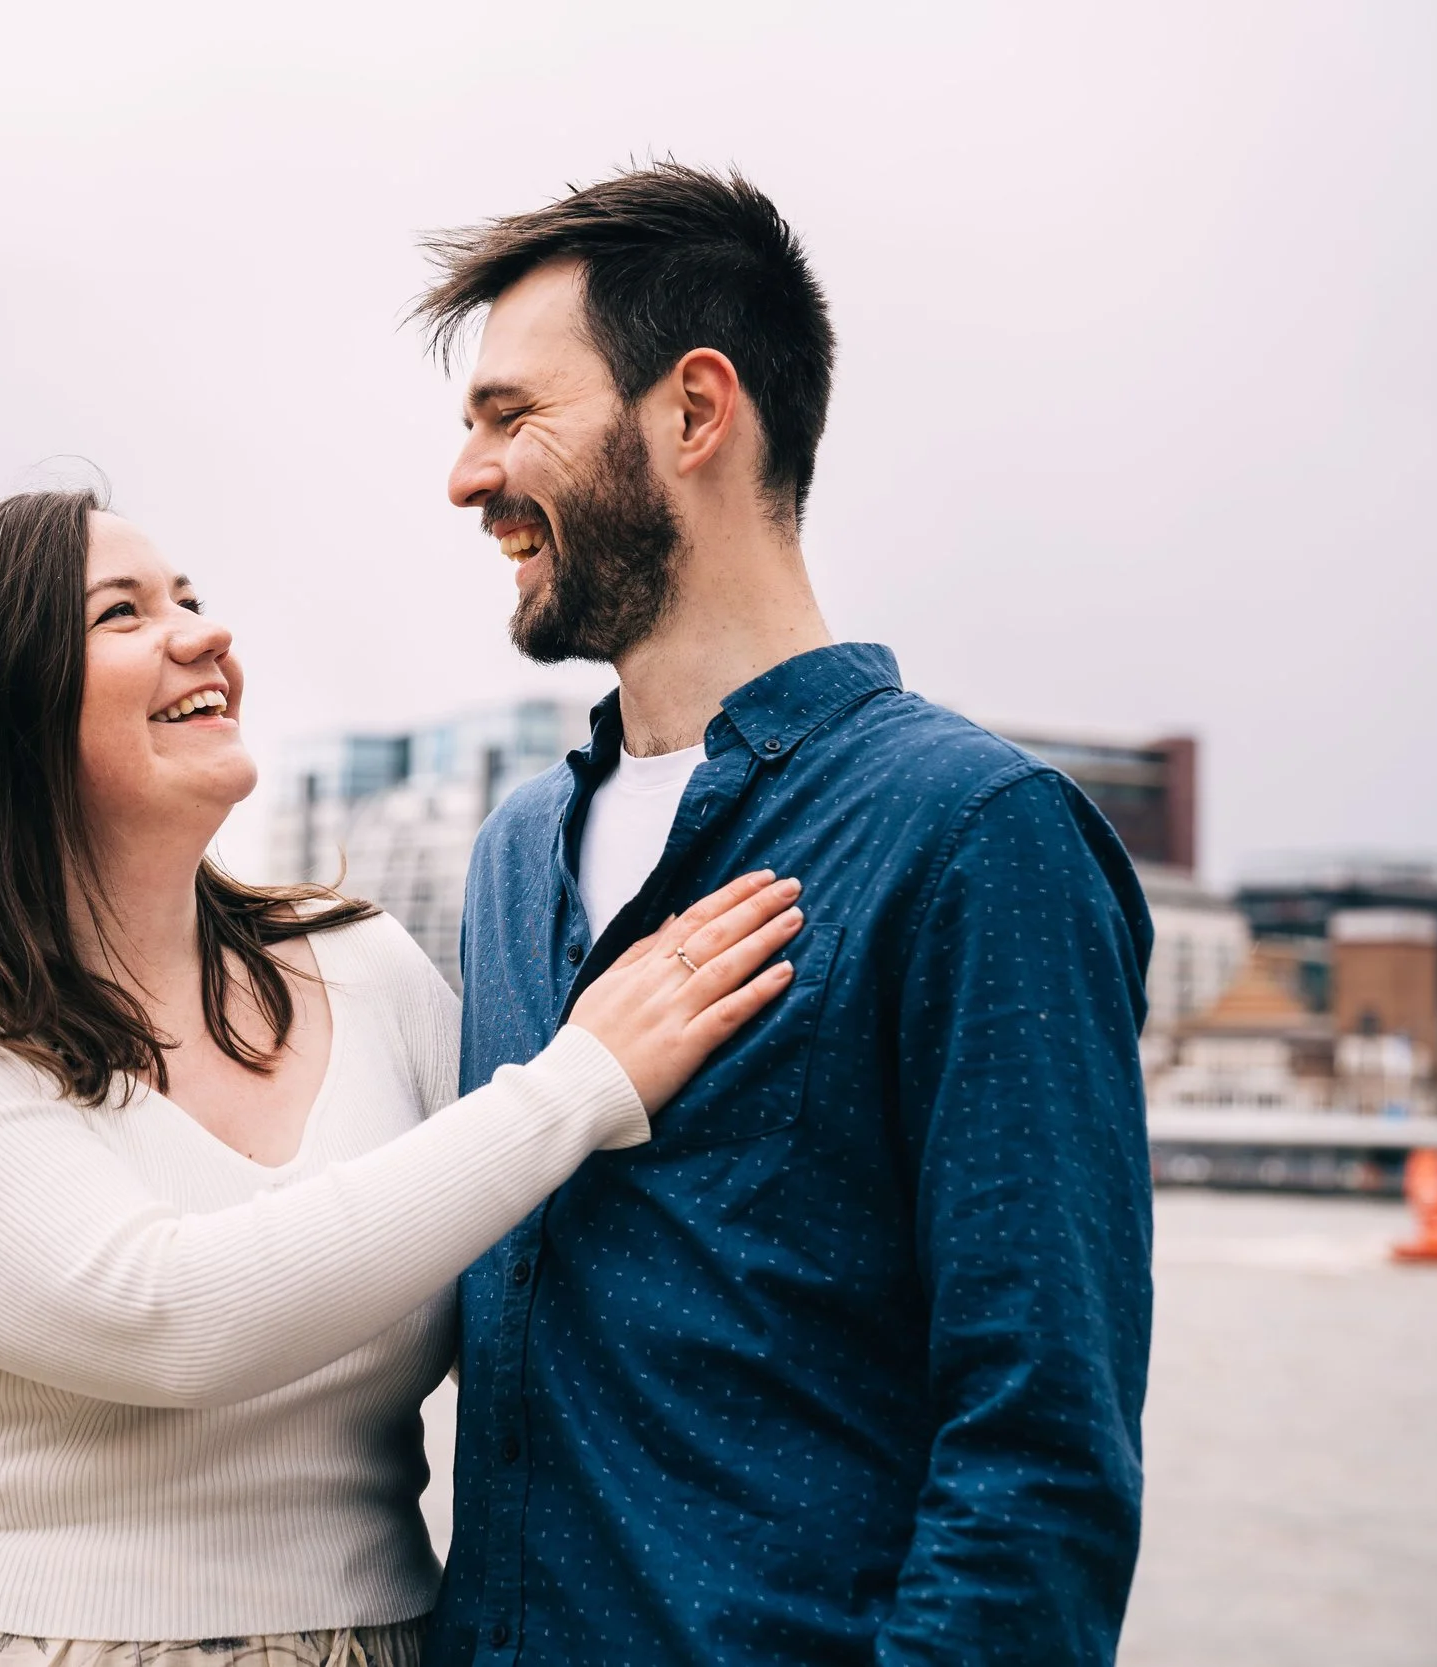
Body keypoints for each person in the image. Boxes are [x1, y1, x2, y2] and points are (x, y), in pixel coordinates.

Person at [0, 489, 809, 1667]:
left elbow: (518, 1262)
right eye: (122, 613)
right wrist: (579, 1081)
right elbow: (167, 1314)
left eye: (191, 598)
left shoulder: (363, 965)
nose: (205, 634)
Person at [415, 162, 1156, 1665]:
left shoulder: (972, 835)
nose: (466, 476)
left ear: (695, 411)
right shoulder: (511, 856)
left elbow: (1040, 1456)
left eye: (510, 416)